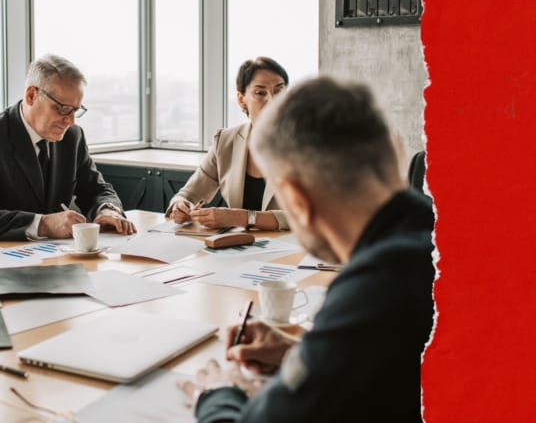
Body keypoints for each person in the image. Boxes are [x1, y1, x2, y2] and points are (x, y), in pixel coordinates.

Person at [177, 78, 435, 422]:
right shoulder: (438, 245)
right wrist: (299, 353)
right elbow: (395, 364)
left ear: (296, 199)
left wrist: (216, 393)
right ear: (398, 150)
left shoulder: (374, 286)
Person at [0, 54, 136, 241]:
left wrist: (107, 210)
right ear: (31, 95)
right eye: (63, 108)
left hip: (55, 259)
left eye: (75, 110)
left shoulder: (72, 137)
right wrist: (43, 224)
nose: (70, 120)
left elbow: (96, 189)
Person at [166, 57, 291, 231]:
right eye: (260, 93)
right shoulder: (225, 141)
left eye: (279, 91)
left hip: (296, 251)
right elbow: (188, 194)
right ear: (241, 99)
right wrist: (180, 206)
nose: (272, 100)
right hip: (241, 249)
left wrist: (243, 217)